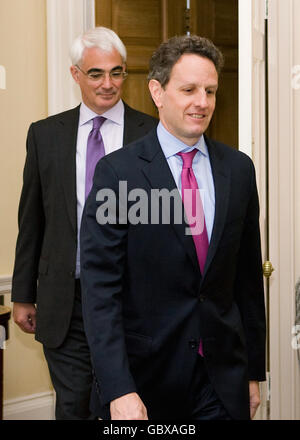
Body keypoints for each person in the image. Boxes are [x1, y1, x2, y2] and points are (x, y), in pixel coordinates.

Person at [80, 35, 266, 420]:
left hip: (221, 380)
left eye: (210, 91)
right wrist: (118, 388)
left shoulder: (239, 170)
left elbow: (247, 281)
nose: (203, 101)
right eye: (189, 89)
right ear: (157, 91)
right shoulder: (119, 174)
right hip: (146, 384)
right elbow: (101, 292)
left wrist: (252, 372)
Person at [11, 26, 157, 420]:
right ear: (75, 74)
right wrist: (23, 292)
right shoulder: (45, 135)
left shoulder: (154, 135)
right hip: (66, 298)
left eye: (117, 72)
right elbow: (32, 218)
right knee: (74, 404)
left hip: (135, 299)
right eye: (96, 73)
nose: (108, 84)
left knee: (128, 406)